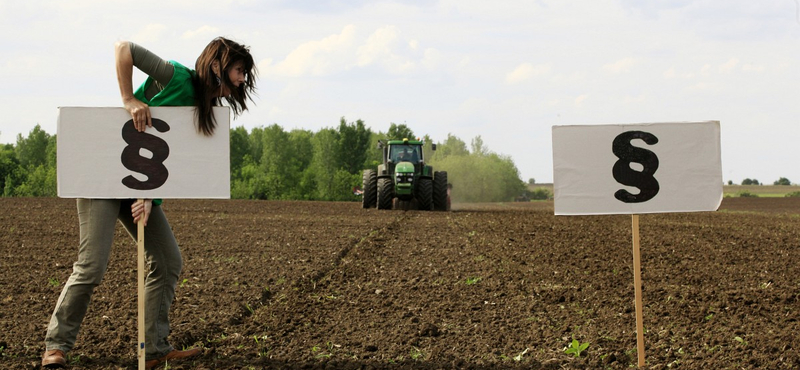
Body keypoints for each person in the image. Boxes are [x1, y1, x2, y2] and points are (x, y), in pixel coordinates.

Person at [41, 37, 257, 369]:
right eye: (239, 70)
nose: (243, 79)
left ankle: (155, 349)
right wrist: (128, 99)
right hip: (102, 178)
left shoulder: (205, 109)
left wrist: (147, 197)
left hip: (137, 187)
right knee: (92, 267)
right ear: (217, 65)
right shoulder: (177, 77)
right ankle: (56, 346)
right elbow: (123, 48)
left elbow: (166, 164)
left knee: (168, 261)